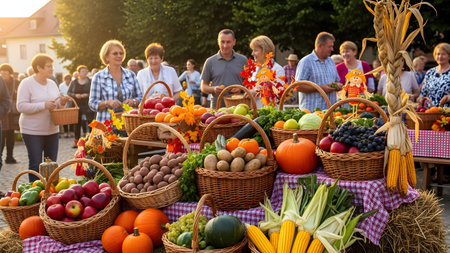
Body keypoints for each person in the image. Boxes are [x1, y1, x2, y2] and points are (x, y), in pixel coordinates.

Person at [17, 53, 67, 182]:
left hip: (52, 129)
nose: (52, 69)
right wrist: (43, 105)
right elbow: (21, 106)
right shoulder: (26, 83)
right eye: (48, 66)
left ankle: (50, 194)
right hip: (32, 131)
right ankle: (36, 194)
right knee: (35, 164)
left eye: (52, 66)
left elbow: (56, 105)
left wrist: (61, 103)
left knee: (52, 164)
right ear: (38, 68)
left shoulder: (52, 83)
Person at [89, 40, 142, 123]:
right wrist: (108, 103)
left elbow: (141, 98)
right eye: (115, 53)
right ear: (106, 57)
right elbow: (92, 103)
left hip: (129, 124)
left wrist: (133, 101)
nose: (119, 56)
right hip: (106, 125)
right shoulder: (98, 77)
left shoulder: (131, 75)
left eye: (121, 53)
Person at [294, 32, 342, 111]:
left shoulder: (331, 61)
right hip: (311, 113)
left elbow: (337, 81)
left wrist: (337, 85)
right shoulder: (306, 62)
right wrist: (320, 88)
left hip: (330, 113)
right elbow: (297, 86)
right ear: (320, 46)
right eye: (330, 47)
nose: (332, 49)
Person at [200, 29, 248, 108]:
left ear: (234, 42)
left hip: (240, 107)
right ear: (218, 42)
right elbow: (203, 87)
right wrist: (214, 89)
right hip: (217, 108)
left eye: (228, 42)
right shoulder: (210, 61)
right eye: (222, 42)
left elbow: (251, 84)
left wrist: (241, 88)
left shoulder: (243, 60)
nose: (225, 45)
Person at [248, 35, 285, 108]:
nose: (252, 53)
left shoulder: (277, 69)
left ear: (265, 51)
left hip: (271, 113)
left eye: (255, 50)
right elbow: (252, 89)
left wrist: (257, 92)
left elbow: (279, 92)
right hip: (255, 113)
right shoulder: (255, 69)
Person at [68, 65, 95, 147]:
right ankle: (77, 142)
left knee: (91, 122)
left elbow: (94, 91)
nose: (85, 72)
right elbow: (69, 93)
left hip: (88, 104)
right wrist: (75, 95)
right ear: (78, 73)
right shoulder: (74, 82)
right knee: (77, 123)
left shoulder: (91, 81)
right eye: (83, 71)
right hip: (76, 105)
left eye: (86, 71)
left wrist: (87, 94)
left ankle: (91, 141)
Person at [418, 42, 450, 107]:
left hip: (447, 113)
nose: (440, 56)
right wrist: (420, 98)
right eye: (438, 54)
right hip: (429, 113)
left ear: (449, 56)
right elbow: (423, 92)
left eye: (443, 54)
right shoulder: (430, 72)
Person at [0, 64, 19, 164]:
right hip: (2, 113)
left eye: (5, 73)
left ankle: (10, 157)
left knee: (11, 135)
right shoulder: (1, 82)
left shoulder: (15, 82)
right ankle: (1, 156)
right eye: (2, 73)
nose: (3, 75)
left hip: (12, 112)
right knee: (2, 136)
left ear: (9, 73)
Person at [59, 73, 73, 138]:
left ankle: (71, 131)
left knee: (71, 117)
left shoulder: (72, 84)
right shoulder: (61, 86)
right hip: (64, 102)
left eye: (69, 79)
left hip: (71, 102)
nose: (68, 81)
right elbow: (60, 94)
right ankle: (66, 131)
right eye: (66, 79)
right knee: (65, 118)